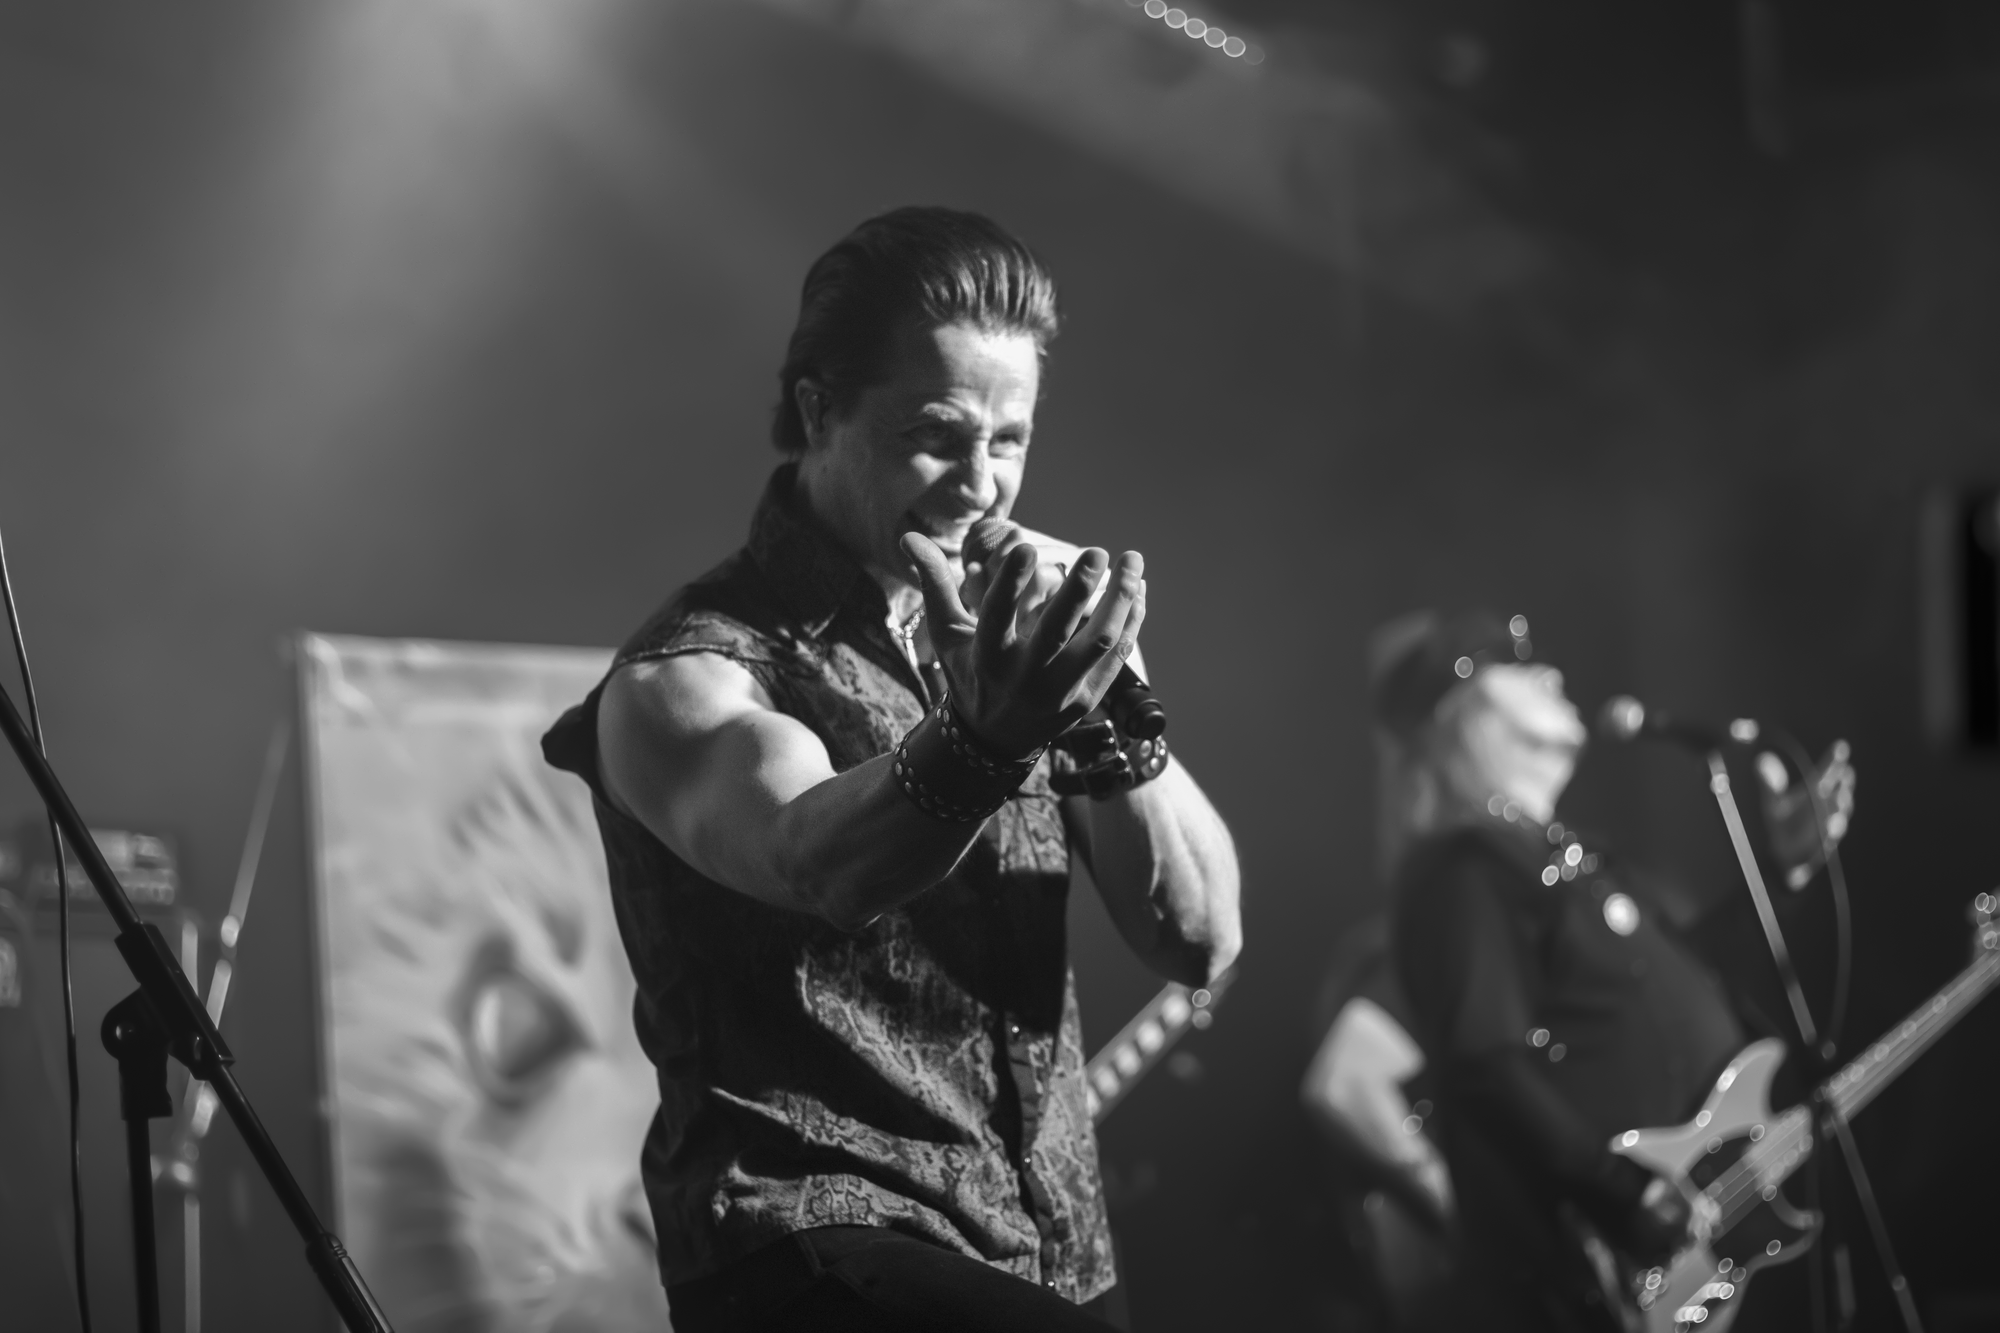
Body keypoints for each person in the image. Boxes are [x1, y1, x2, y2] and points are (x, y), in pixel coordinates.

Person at [542, 206, 1241, 1333]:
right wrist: (987, 739)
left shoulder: (1022, 641)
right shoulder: (693, 672)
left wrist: (1107, 692)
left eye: (1008, 441)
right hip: (812, 1255)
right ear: (819, 410)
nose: (981, 483)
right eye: (936, 434)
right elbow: (818, 860)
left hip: (1048, 1257)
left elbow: (1196, 938)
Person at [1374, 611, 1852, 1332]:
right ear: (1460, 713)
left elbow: (1688, 983)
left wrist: (1779, 872)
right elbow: (1483, 1061)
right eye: (1511, 661)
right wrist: (1622, 1193)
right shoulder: (1465, 869)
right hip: (1582, 1277)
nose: (1547, 668)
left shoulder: (1576, 861)